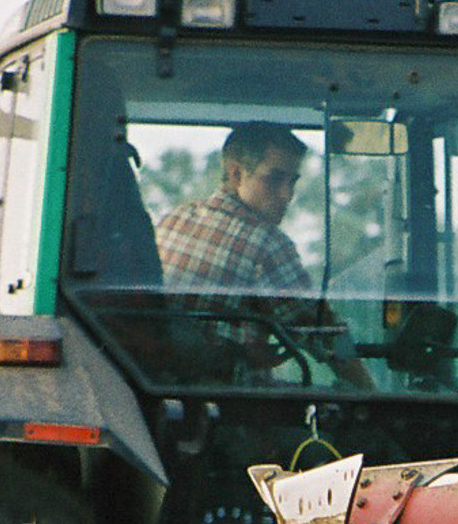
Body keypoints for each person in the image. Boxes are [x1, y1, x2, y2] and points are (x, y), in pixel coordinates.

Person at [155, 124, 370, 386]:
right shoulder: (267, 244)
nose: (287, 195)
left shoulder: (173, 219)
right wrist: (371, 393)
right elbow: (324, 331)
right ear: (236, 174)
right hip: (234, 408)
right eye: (274, 179)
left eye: (292, 182)